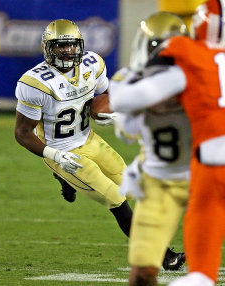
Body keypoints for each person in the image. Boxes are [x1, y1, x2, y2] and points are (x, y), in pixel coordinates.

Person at [13, 19, 184, 271]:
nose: (67, 51)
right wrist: (55, 156)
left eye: (71, 46)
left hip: (90, 139)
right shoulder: (35, 83)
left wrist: (110, 112)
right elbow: (22, 133)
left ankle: (64, 181)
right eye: (60, 46)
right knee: (116, 199)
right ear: (48, 48)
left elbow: (108, 96)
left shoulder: (92, 63)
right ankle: (162, 255)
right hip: (62, 151)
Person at [108, 0, 225, 284]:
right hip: (164, 180)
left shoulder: (182, 73)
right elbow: (127, 126)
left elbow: (124, 122)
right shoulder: (190, 70)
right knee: (145, 269)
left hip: (198, 173)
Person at [109, 12, 190, 286]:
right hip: (157, 182)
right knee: (143, 272)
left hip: (204, 178)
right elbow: (127, 132)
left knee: (203, 266)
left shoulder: (131, 83)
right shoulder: (140, 83)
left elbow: (125, 125)